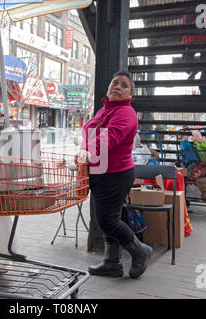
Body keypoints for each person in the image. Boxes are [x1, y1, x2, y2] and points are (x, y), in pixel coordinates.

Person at [77, 71, 152, 279]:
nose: (117, 87)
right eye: (114, 82)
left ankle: (140, 251)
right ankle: (112, 262)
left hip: (116, 175)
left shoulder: (126, 113)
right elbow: (90, 134)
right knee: (110, 218)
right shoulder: (104, 110)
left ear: (130, 94)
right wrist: (83, 152)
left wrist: (87, 151)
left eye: (124, 85)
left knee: (108, 221)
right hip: (100, 172)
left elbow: (109, 138)